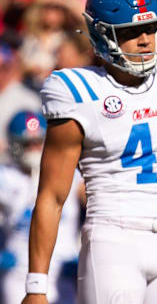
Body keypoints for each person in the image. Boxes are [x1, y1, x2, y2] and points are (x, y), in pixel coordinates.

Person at [21, 0, 157, 304]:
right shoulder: (77, 91)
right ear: (100, 36)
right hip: (113, 242)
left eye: (151, 28)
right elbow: (52, 196)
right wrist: (36, 285)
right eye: (130, 32)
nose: (145, 40)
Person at [1, 111, 81, 304]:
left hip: (64, 271)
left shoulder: (72, 176)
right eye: (28, 144)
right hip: (20, 272)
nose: (35, 149)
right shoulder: (5, 177)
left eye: (39, 142)